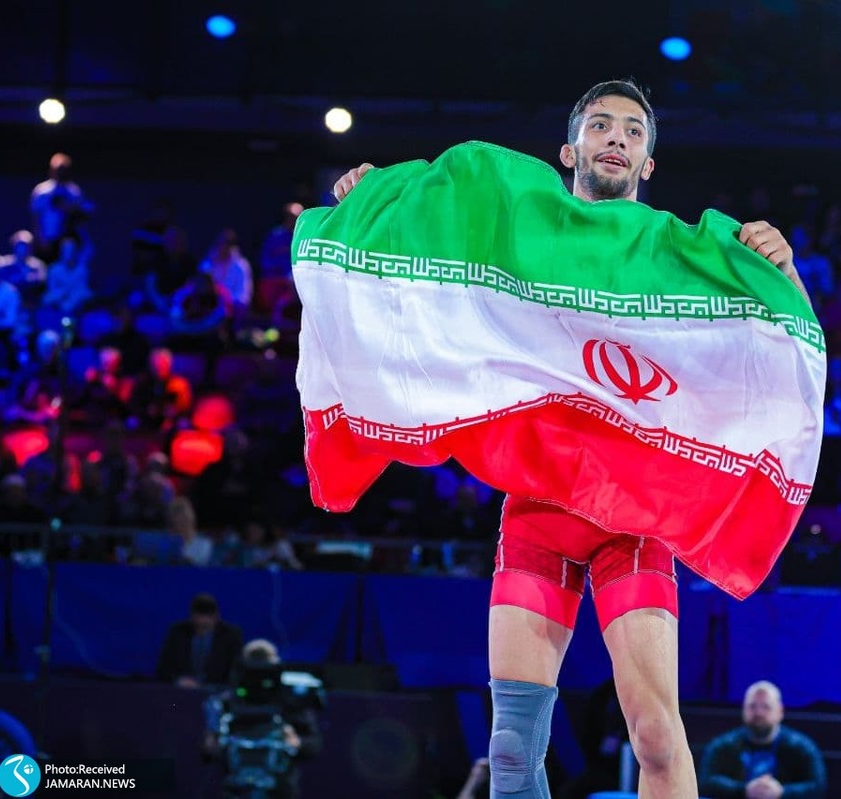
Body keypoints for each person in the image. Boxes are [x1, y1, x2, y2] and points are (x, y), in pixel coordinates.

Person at [331, 78, 809, 798]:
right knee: (512, 748)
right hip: (540, 510)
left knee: (656, 735)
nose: (617, 137)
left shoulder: (678, 253)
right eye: (601, 125)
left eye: (633, 131)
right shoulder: (523, 236)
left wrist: (786, 271)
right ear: (569, 149)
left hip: (634, 519)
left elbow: (787, 344)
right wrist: (377, 202)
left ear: (648, 163)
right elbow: (433, 234)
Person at [203, 638, 322, 799]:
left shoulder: (289, 703)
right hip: (236, 789)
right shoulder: (228, 703)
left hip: (279, 789)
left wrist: (296, 742)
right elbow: (206, 753)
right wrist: (211, 740)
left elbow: (313, 745)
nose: (259, 675)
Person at [698, 680, 826, 799]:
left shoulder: (801, 747)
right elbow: (706, 782)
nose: (758, 713)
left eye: (766, 707)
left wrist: (782, 792)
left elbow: (817, 787)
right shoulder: (723, 746)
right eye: (752, 706)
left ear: (780, 711)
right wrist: (744, 790)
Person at [156, 593, 244, 688]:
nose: (202, 623)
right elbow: (163, 668)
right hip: (183, 689)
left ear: (217, 617)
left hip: (218, 690)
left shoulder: (231, 636)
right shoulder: (177, 633)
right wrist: (179, 680)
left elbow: (237, 671)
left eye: (207, 622)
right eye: (199, 621)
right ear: (192, 617)